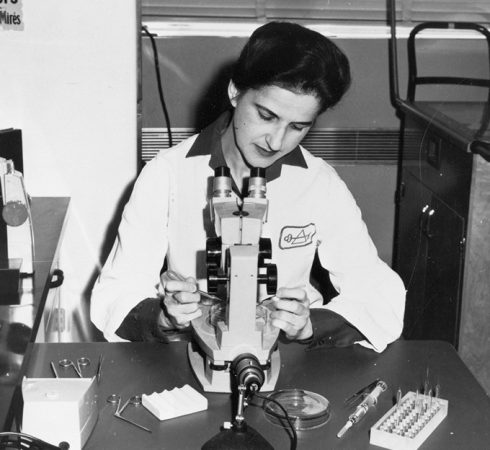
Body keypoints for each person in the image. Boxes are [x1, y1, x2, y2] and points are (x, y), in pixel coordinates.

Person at [91, 21, 405, 352]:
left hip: (287, 356)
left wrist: (309, 326)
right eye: (267, 116)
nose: (277, 140)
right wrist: (166, 318)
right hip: (193, 350)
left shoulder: (320, 183)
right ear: (235, 92)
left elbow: (378, 293)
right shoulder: (167, 173)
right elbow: (115, 293)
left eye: (298, 126)